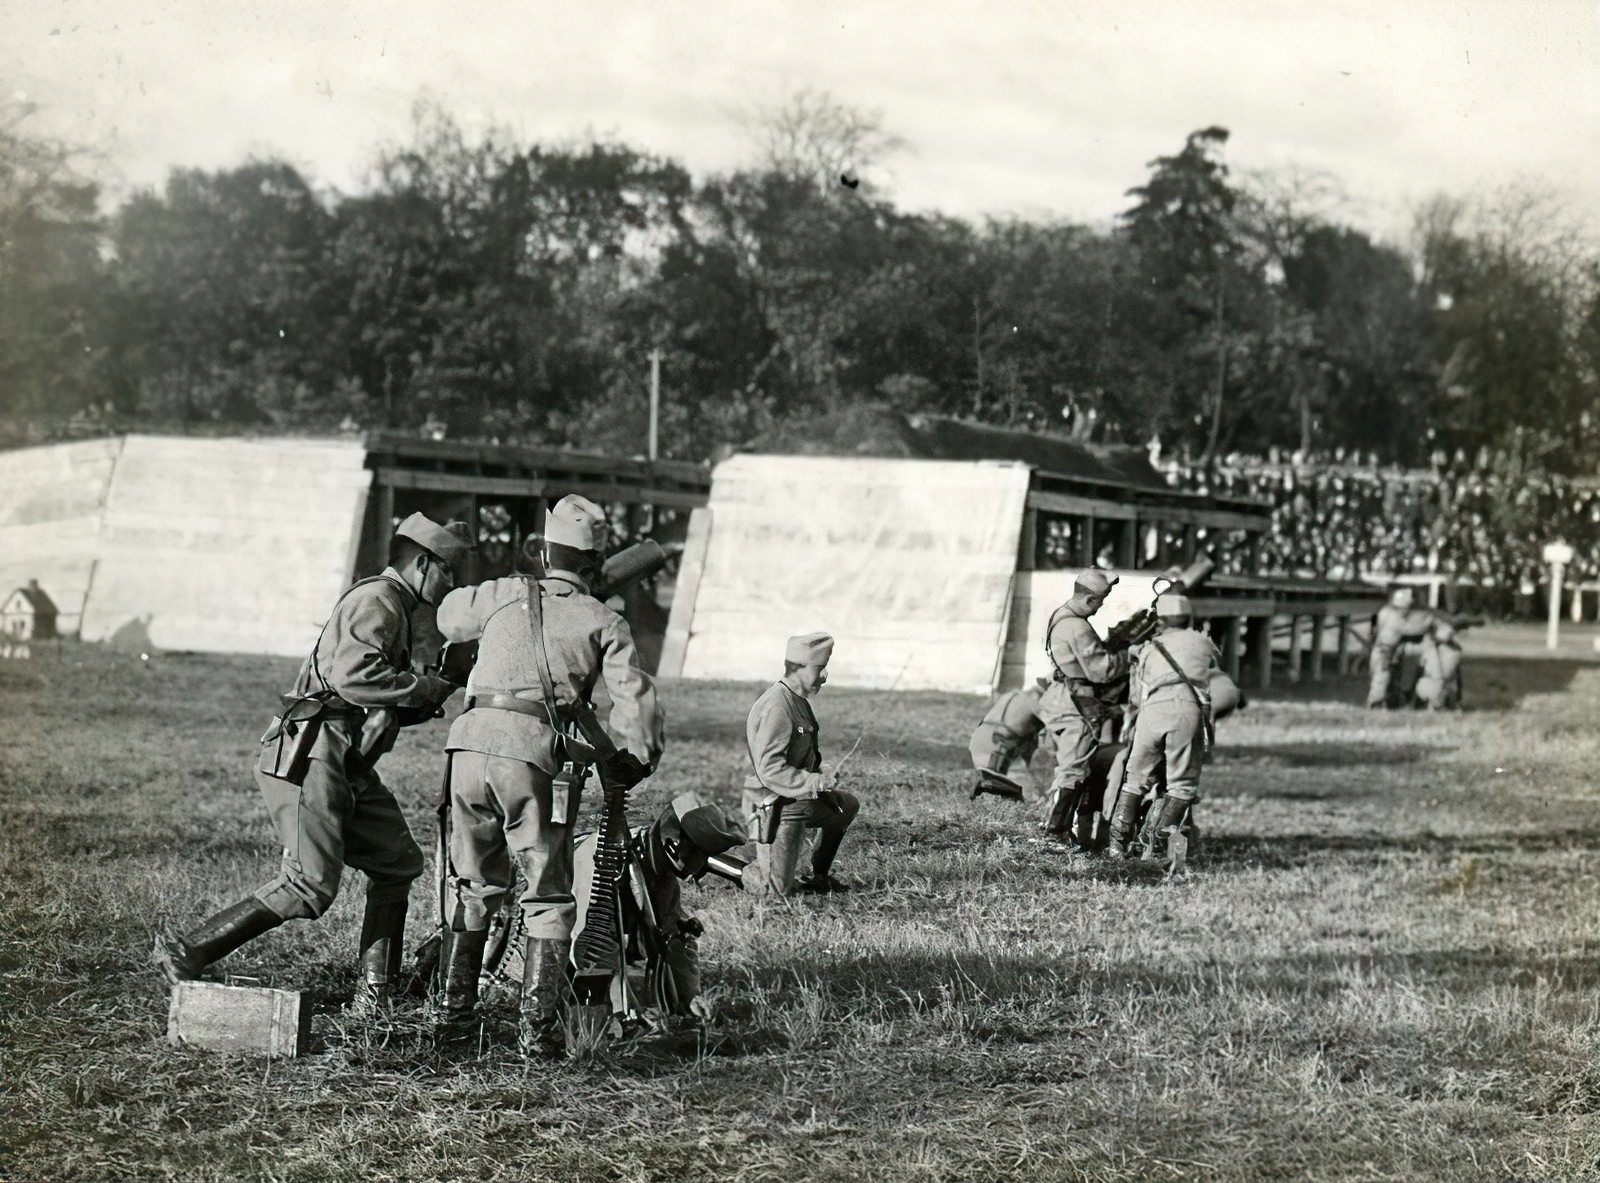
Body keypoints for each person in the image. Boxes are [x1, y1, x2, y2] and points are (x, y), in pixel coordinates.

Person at [156, 513, 469, 1005]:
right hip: (314, 750)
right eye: (448, 571)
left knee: (398, 862)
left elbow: (377, 701)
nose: (453, 583)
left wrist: (438, 687)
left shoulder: (393, 604)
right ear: (423, 562)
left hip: (342, 754)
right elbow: (353, 679)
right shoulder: (379, 600)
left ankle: (375, 997)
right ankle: (188, 950)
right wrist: (425, 686)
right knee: (310, 886)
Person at [432, 494, 663, 1056]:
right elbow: (632, 699)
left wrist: (515, 585)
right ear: (594, 562)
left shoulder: (508, 594)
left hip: (465, 747)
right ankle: (536, 1036)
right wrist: (637, 758)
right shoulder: (603, 618)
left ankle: (454, 1023)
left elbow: (447, 615)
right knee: (547, 894)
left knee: (473, 884)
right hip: (529, 757)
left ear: (544, 552)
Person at [569, 792, 745, 1021]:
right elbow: (589, 949)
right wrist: (624, 1010)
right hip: (559, 957)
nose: (697, 866)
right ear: (674, 842)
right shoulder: (603, 862)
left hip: (600, 959)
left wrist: (689, 997)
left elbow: (673, 936)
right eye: (696, 854)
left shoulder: (658, 867)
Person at [1105, 592, 1220, 862]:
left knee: (1135, 778)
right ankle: (1155, 846)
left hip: (1153, 708)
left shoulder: (1149, 647)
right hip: (1187, 708)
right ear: (1188, 617)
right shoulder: (1203, 642)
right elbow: (1214, 666)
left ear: (1160, 620)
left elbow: (1136, 695)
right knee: (1182, 785)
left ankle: (1117, 847)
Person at [742, 632, 860, 896]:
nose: (825, 676)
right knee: (776, 892)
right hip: (773, 805)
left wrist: (822, 773)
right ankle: (743, 869)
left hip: (796, 799)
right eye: (819, 669)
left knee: (847, 806)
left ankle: (818, 877)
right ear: (798, 668)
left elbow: (801, 757)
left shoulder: (798, 700)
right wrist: (815, 782)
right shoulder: (777, 707)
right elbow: (770, 771)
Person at [1038, 570, 1129, 847]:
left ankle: (1055, 826)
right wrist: (1130, 655)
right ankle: (1055, 835)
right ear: (1089, 599)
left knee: (1068, 766)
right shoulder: (1077, 627)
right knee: (1074, 769)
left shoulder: (1060, 615)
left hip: (1058, 696)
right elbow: (1102, 671)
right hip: (1075, 703)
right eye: (1101, 600)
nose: (1102, 605)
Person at [967, 678, 1049, 800]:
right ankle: (986, 788)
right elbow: (1056, 726)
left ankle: (983, 789)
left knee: (993, 786)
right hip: (998, 743)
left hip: (979, 737)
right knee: (1001, 789)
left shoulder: (1011, 695)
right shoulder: (1036, 701)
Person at [1367, 585, 1435, 708]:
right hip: (1384, 653)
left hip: (1379, 650)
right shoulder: (1397, 620)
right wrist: (1428, 622)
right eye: (1405, 607)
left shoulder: (1385, 612)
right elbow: (1415, 630)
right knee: (1381, 679)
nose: (1407, 610)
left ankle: (1383, 703)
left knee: (1384, 678)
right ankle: (1374, 704)